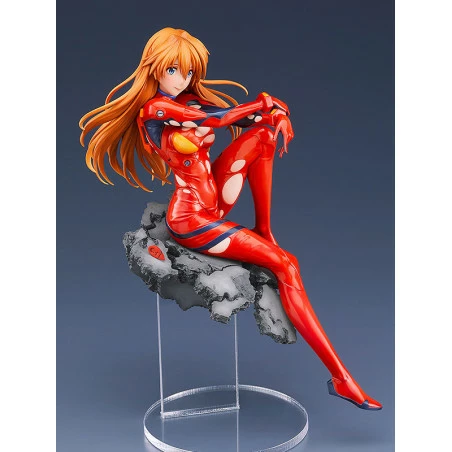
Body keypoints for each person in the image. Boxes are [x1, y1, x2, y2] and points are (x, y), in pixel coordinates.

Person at [80, 27, 382, 410]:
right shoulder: (156, 111)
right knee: (287, 265)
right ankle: (341, 378)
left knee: (263, 135)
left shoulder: (189, 101)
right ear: (154, 68)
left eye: (189, 72)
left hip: (216, 202)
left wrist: (274, 113)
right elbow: (220, 119)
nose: (182, 79)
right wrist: (262, 104)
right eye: (174, 70)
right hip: (192, 220)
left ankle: (264, 228)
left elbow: (240, 119)